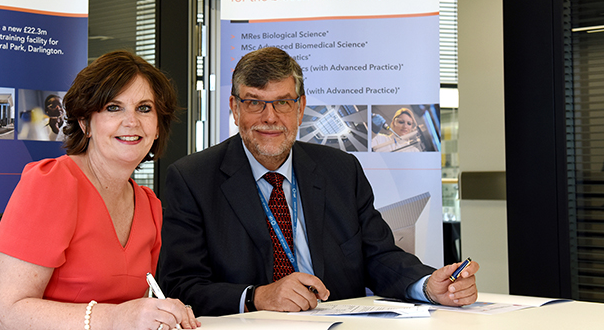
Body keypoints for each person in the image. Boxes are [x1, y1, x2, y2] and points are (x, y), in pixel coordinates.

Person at [158, 47, 479, 316]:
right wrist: (258, 296)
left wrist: (427, 285)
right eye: (254, 102)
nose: (269, 117)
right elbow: (181, 286)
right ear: (234, 108)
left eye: (282, 102)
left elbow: (379, 255)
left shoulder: (340, 169)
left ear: (300, 107)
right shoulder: (192, 178)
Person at [0, 50, 200, 330]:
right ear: (85, 122)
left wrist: (161, 313)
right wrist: (115, 318)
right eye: (114, 107)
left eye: (144, 108)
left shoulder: (149, 205)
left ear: (158, 127)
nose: (132, 122)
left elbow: (133, 308)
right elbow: (8, 313)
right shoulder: (50, 183)